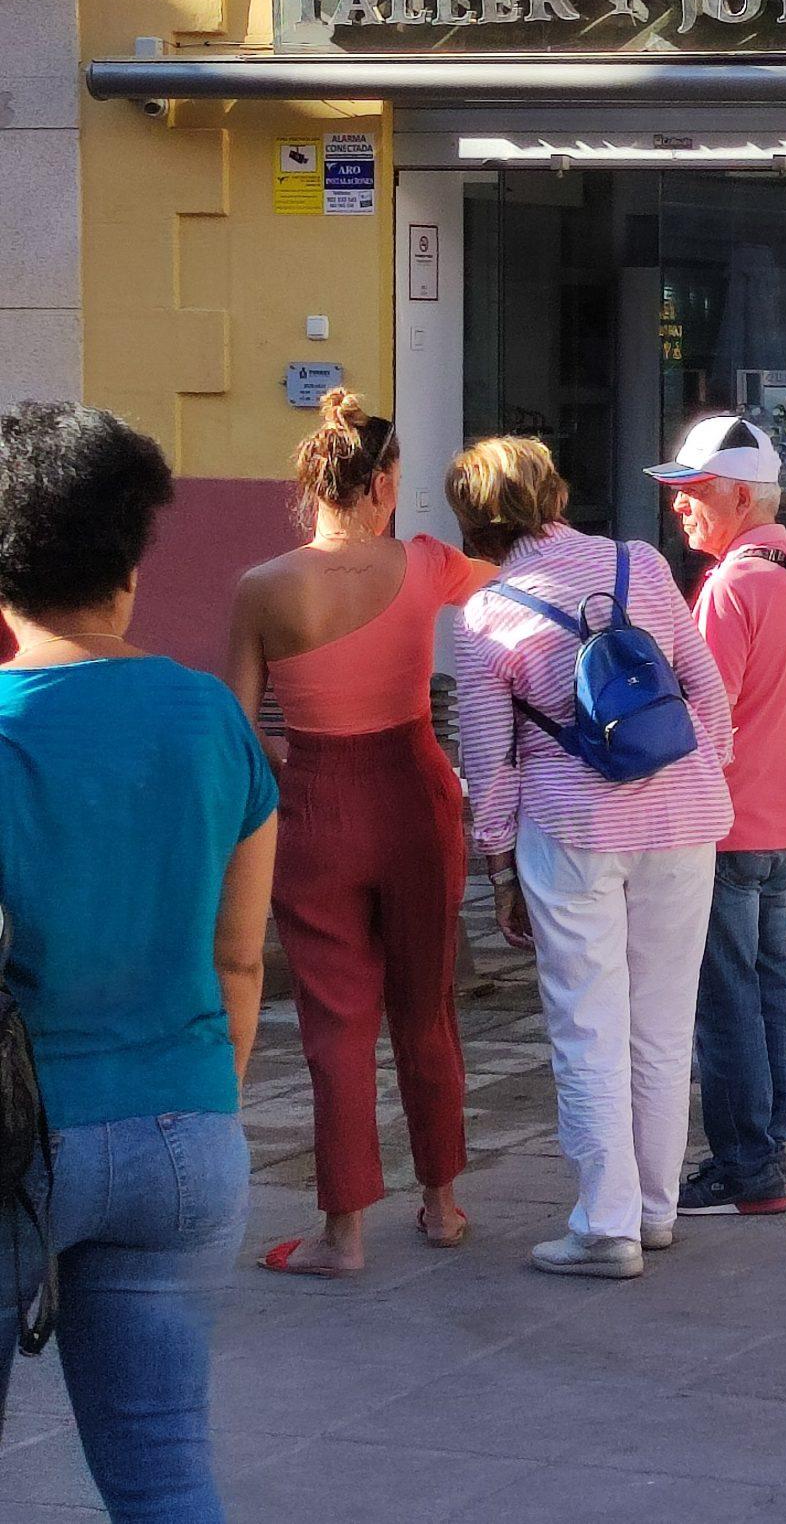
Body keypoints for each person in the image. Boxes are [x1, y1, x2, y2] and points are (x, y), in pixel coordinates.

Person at [0, 403, 277, 1522]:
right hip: (186, 1132)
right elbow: (240, 955)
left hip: (16, 1138)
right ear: (128, 567)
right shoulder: (211, 717)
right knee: (165, 1473)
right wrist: (208, 1094)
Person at [444, 437, 733, 1280]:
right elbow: (706, 693)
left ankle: (604, 1227)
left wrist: (498, 865)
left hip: (571, 832)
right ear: (554, 492)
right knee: (664, 1021)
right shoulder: (639, 564)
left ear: (476, 520)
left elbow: (490, 763)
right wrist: (687, 778)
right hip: (683, 821)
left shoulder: (486, 617)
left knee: (587, 1023)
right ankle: (654, 1211)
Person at [225, 390, 494, 1278]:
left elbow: (237, 724)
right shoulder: (424, 565)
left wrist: (293, 764)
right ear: (383, 484)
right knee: (427, 1011)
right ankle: (442, 1206)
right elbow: (520, 584)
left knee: (334, 1025)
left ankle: (341, 1234)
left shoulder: (263, 587)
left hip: (317, 804)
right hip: (416, 796)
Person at [646, 416, 786, 1217]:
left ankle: (745, 1165)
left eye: (692, 492)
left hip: (726, 830)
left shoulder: (731, 588)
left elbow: (703, 718)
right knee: (767, 994)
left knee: (726, 1005)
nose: (680, 508)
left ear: (734, 495)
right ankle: (770, 1150)